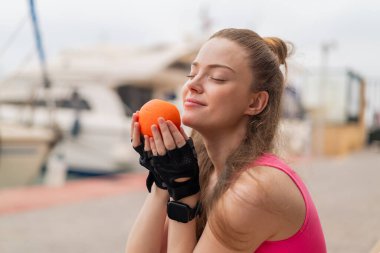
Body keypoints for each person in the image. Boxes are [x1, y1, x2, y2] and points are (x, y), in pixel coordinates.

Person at [125, 28, 326, 253]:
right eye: (191, 75)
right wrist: (163, 181)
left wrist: (184, 195)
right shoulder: (205, 169)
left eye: (217, 78)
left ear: (255, 103)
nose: (193, 85)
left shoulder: (256, 188)